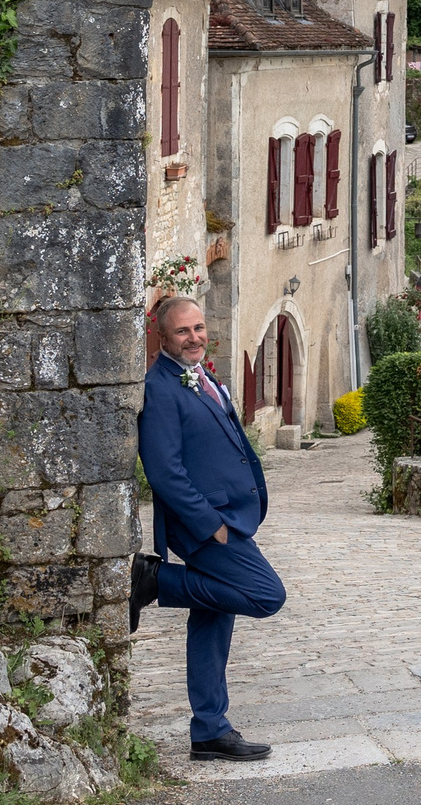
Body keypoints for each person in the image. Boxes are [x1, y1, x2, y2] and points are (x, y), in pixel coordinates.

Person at [130, 295, 287, 762]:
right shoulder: (159, 387)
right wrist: (210, 525)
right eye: (183, 331)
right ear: (162, 336)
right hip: (207, 526)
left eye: (198, 328)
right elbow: (163, 470)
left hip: (233, 515)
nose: (194, 337)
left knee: (213, 616)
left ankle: (209, 731)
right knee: (265, 594)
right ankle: (156, 580)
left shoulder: (201, 376)